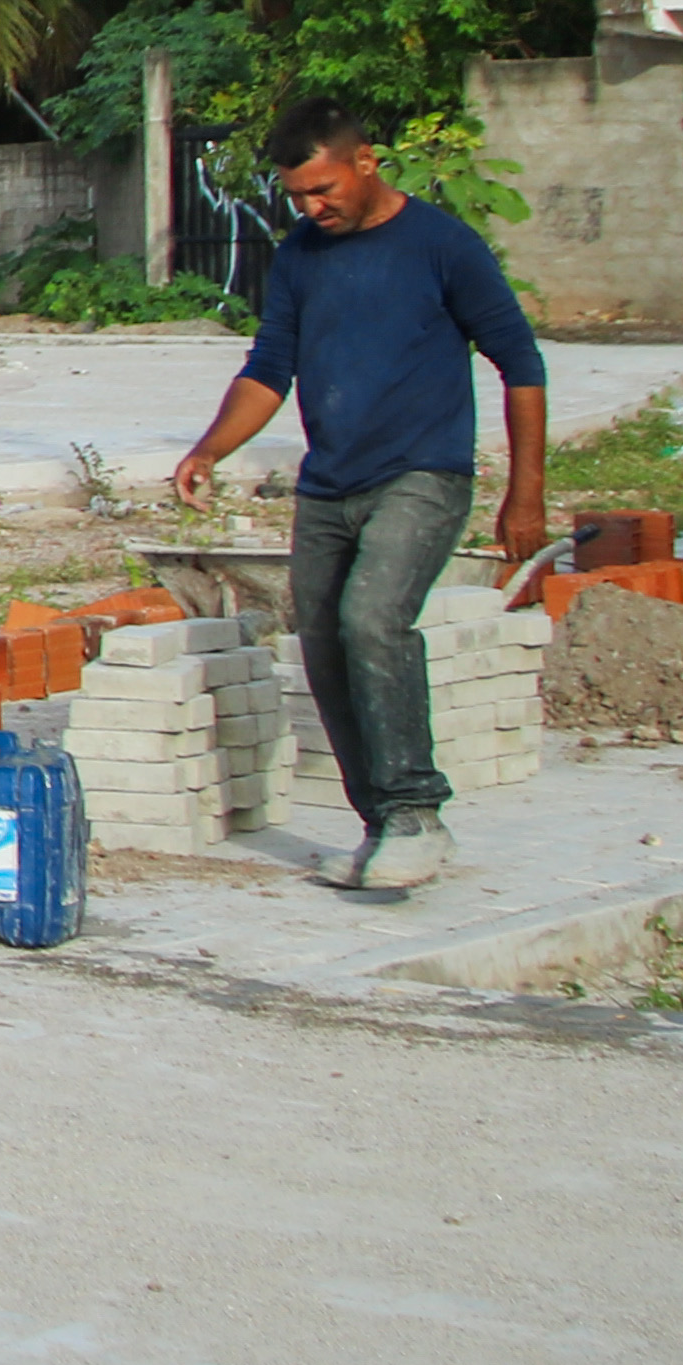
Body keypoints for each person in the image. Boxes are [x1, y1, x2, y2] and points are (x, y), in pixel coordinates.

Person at [166, 91, 548, 901]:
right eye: (298, 195)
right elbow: (271, 368)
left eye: (324, 190)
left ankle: (415, 812)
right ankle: (380, 826)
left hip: (424, 475)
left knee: (373, 619)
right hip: (330, 485)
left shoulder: (443, 247)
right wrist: (208, 447)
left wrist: (527, 496)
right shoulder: (303, 255)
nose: (311, 207)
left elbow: (522, 365)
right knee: (327, 648)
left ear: (366, 164)